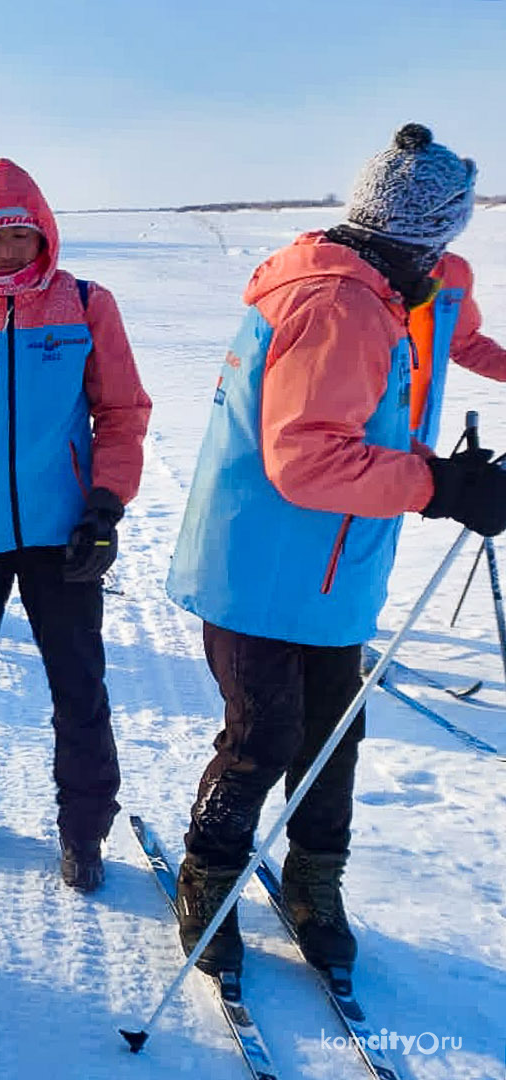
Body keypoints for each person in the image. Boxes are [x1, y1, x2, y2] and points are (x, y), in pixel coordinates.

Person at [167, 124, 506, 978]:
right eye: (442, 243)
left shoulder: (364, 292)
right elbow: (309, 456)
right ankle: (207, 875)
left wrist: (437, 472)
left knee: (331, 737)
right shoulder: (340, 304)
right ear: (420, 236)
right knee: (264, 736)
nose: (442, 265)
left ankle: (316, 878)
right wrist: (439, 489)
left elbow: (353, 432)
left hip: (326, 566)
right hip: (267, 567)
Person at [0, 158, 153, 892]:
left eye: (20, 237)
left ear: (43, 235)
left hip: (63, 535)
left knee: (78, 688)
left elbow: (122, 413)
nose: (8, 253)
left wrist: (104, 506)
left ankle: (83, 830)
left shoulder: (85, 304)